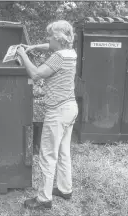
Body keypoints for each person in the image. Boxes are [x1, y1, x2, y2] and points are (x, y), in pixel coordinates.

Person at [16, 20, 78, 210]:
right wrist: (33, 46)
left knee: (48, 155)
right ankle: (65, 189)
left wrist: (22, 55)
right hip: (70, 107)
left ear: (58, 39)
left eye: (49, 36)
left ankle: (44, 199)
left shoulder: (58, 57)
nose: (47, 40)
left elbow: (35, 74)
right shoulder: (70, 52)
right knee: (63, 151)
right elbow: (50, 47)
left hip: (57, 111)